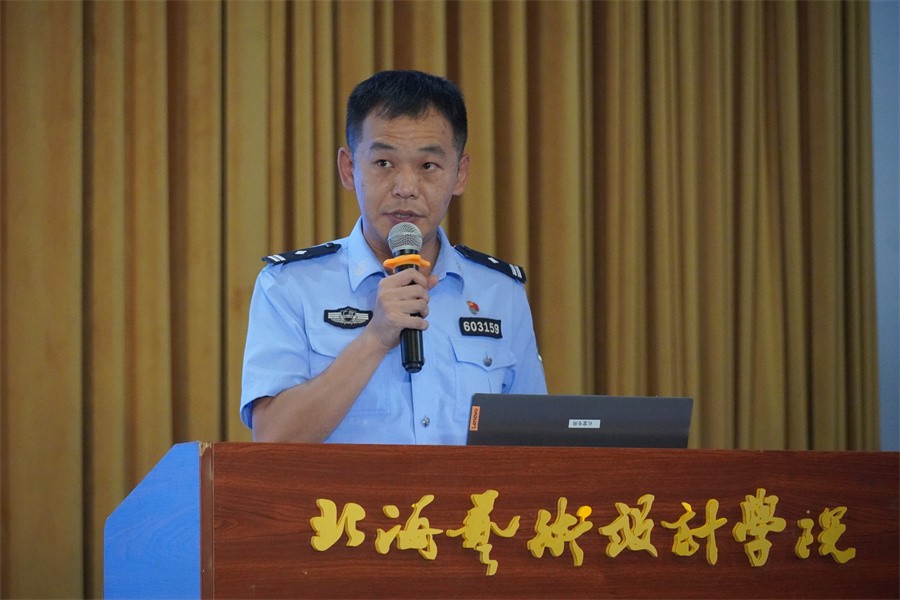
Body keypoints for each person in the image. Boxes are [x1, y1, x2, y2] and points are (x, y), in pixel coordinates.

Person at [240, 70, 547, 444]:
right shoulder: (290, 286)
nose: (405, 188)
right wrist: (374, 339)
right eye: (384, 163)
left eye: (428, 166)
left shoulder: (500, 293)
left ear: (460, 174)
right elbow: (271, 439)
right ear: (349, 168)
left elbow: (536, 445)